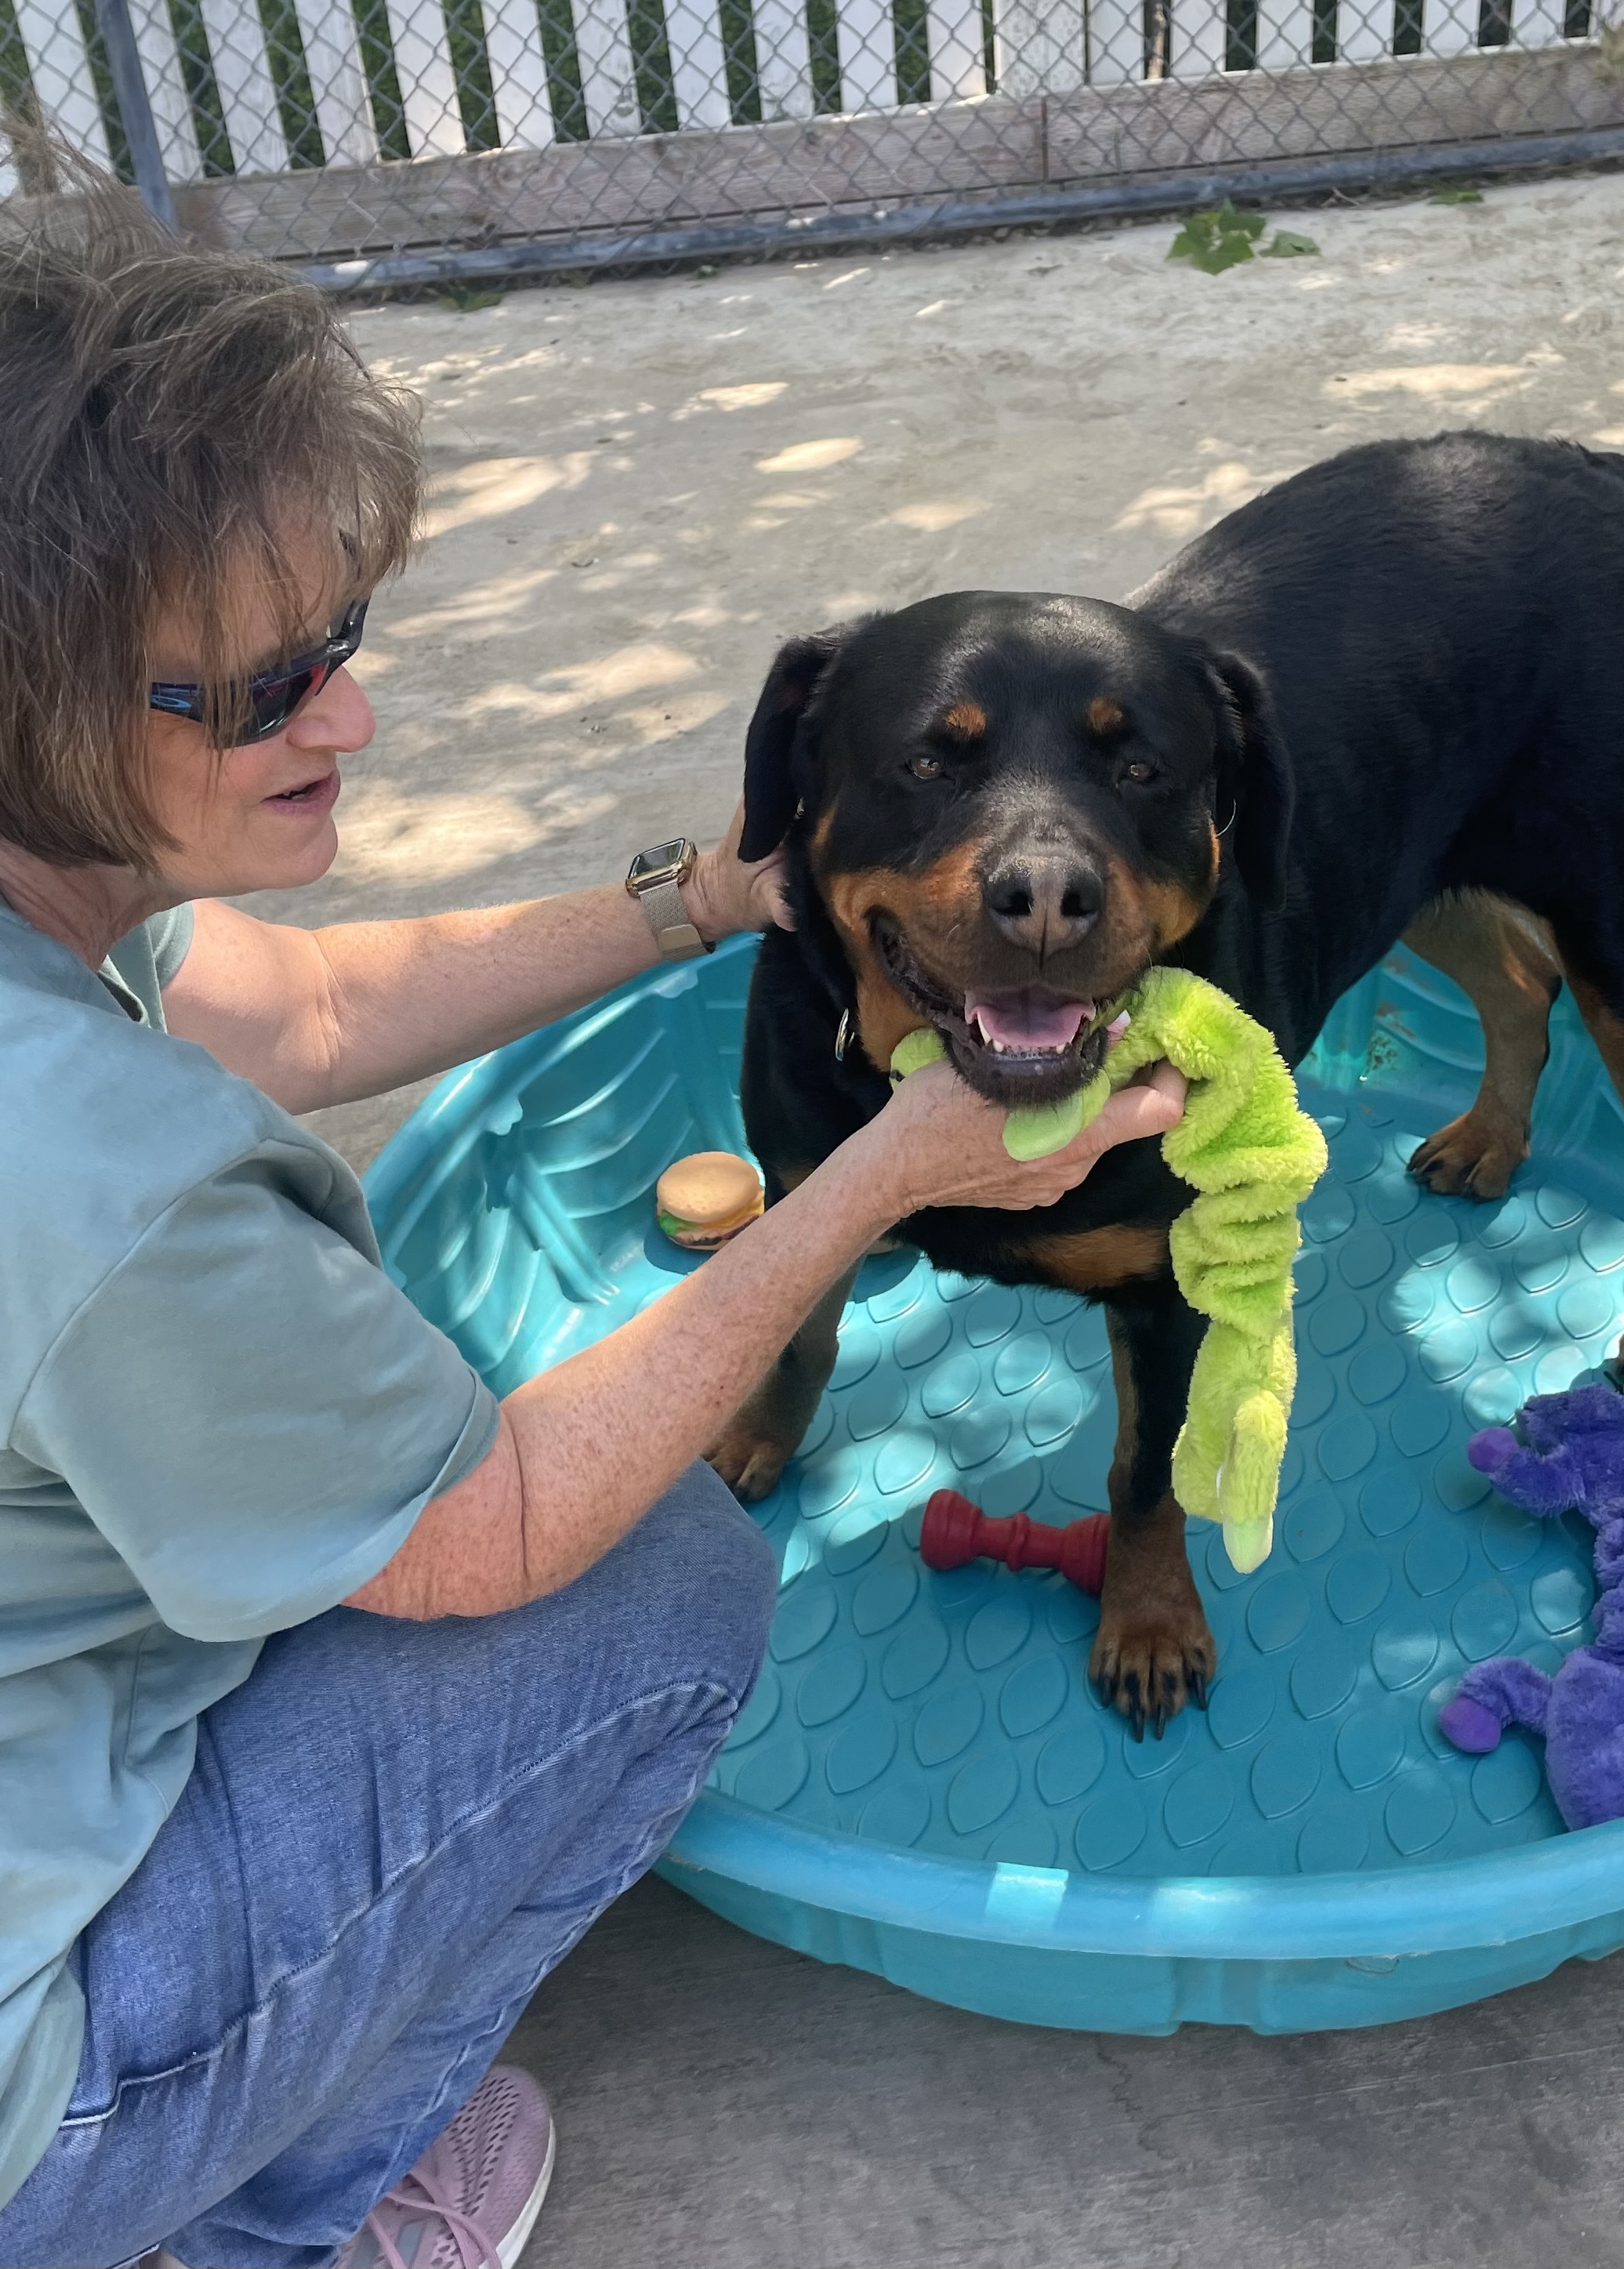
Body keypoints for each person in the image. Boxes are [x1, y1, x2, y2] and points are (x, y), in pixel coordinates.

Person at [0, 159, 1187, 2269]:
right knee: (660, 1595)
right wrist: (891, 1170)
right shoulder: (101, 1177)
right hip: (32, 2101)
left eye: (336, 643)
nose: (348, 717)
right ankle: (276, 2226)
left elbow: (330, 999)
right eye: (259, 686)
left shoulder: (50, 926)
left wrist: (699, 895)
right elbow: (501, 1530)